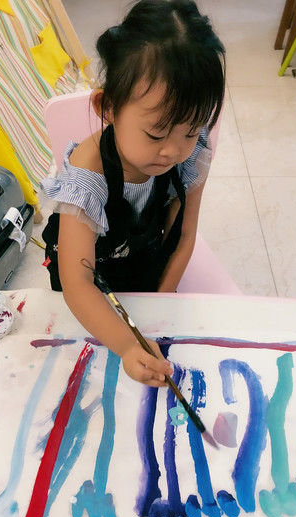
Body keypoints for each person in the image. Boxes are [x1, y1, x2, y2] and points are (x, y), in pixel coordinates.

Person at [41, 0, 226, 388]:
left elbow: (184, 234)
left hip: (147, 268)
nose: (174, 150)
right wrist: (128, 345)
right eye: (156, 134)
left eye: (190, 131)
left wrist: (161, 307)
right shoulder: (86, 179)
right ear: (108, 107)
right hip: (95, 282)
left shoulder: (192, 152)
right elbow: (77, 282)